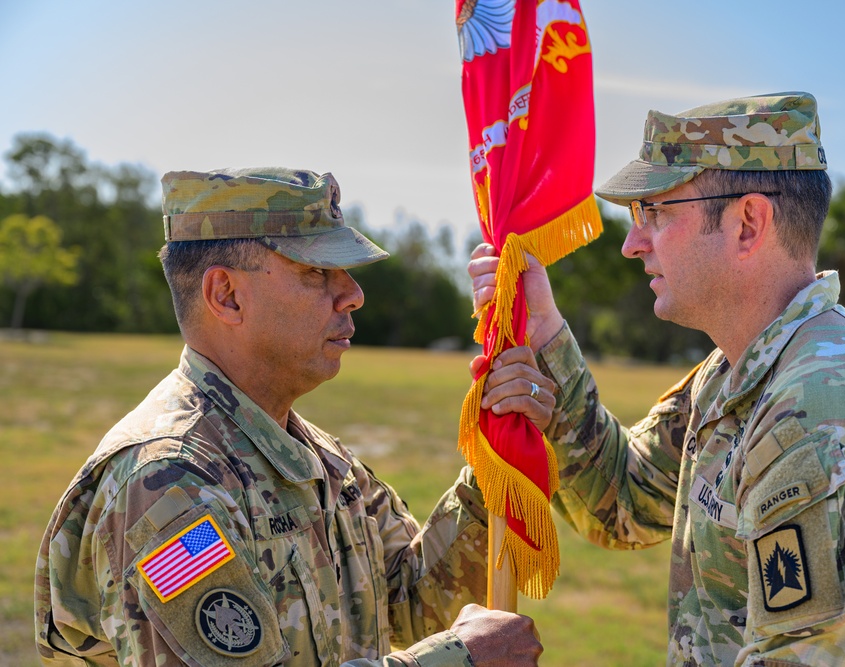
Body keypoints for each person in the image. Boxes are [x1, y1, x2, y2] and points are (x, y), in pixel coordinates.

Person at [469, 93, 845, 665]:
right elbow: (627, 499)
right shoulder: (739, 372)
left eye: (657, 213)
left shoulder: (828, 409)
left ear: (747, 223)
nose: (631, 243)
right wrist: (544, 337)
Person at [35, 167, 545, 666]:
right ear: (227, 296)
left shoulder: (319, 458)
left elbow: (411, 601)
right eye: (317, 273)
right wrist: (456, 661)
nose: (354, 294)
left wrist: (495, 463)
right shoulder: (169, 484)